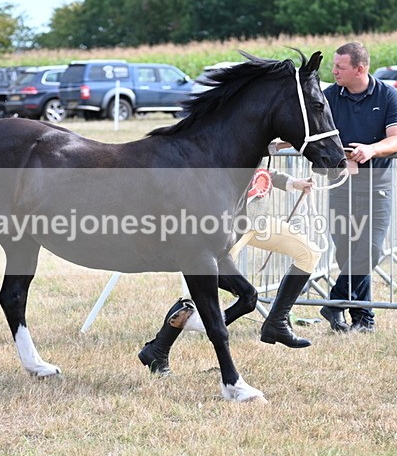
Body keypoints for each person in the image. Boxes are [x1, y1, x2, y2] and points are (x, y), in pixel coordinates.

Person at [138, 153, 322, 374]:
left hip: (258, 222)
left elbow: (261, 170)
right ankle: (158, 348)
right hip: (230, 225)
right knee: (195, 294)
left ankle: (277, 322)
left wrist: (292, 182)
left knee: (308, 253)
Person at [320, 42, 397, 333]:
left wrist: (371, 149)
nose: (333, 71)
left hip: (376, 186)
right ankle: (363, 320)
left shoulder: (388, 96)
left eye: (339, 67)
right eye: (333, 65)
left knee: (368, 250)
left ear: (360, 69)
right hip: (341, 185)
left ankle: (334, 302)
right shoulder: (328, 96)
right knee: (346, 253)